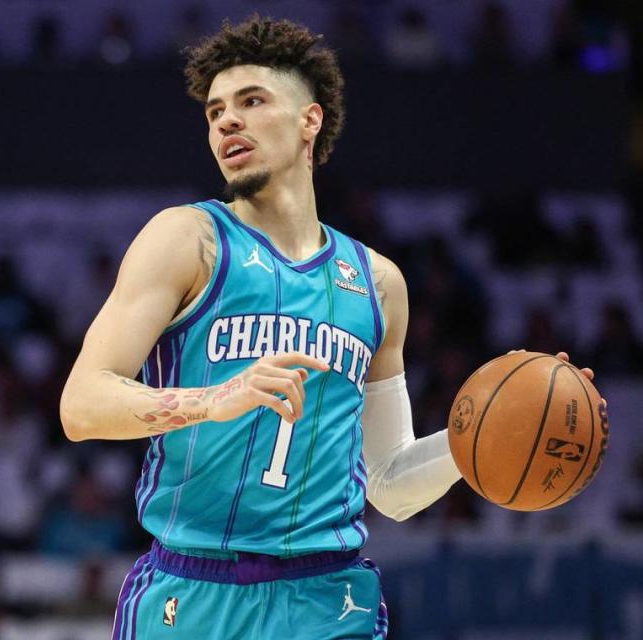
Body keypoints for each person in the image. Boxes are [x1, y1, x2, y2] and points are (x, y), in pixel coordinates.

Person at [60, 16, 595, 639]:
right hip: (193, 593)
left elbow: (390, 483)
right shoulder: (188, 238)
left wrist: (484, 435)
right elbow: (82, 404)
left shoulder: (378, 283)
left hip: (329, 600)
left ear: (309, 120)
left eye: (252, 101)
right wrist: (214, 400)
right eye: (214, 112)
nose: (227, 122)